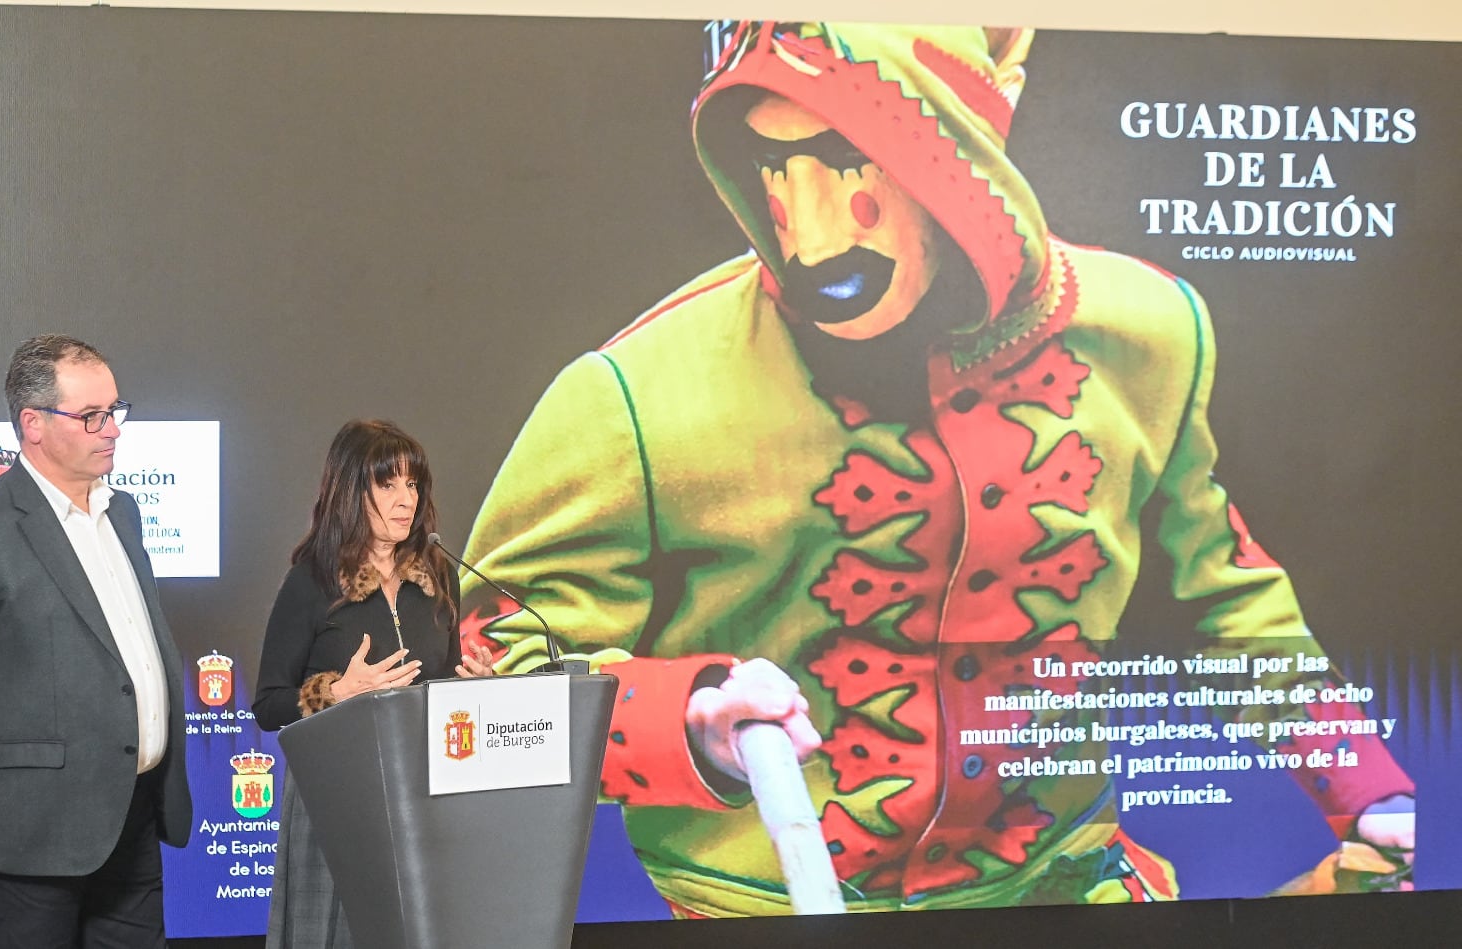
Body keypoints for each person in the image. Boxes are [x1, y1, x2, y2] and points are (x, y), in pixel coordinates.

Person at [457, 22, 1416, 915]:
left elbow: (1222, 589)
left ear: (956, 155)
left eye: (844, 156)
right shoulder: (628, 394)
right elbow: (477, 705)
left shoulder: (1151, 332)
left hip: (1073, 891)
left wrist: (1364, 786)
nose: (810, 230)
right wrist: (688, 721)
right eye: (773, 164)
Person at [0, 334, 192, 947]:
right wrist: (0, 778)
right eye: (91, 416)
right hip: (27, 835)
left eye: (115, 411)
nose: (112, 429)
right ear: (32, 423)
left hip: (131, 821)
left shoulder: (125, 513)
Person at [253, 418, 494, 948]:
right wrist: (338, 693)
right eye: (387, 484)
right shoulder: (312, 580)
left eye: (413, 484)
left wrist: (479, 690)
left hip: (424, 797)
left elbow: (443, 687)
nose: (405, 499)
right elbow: (268, 705)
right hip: (338, 801)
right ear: (350, 490)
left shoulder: (438, 575)